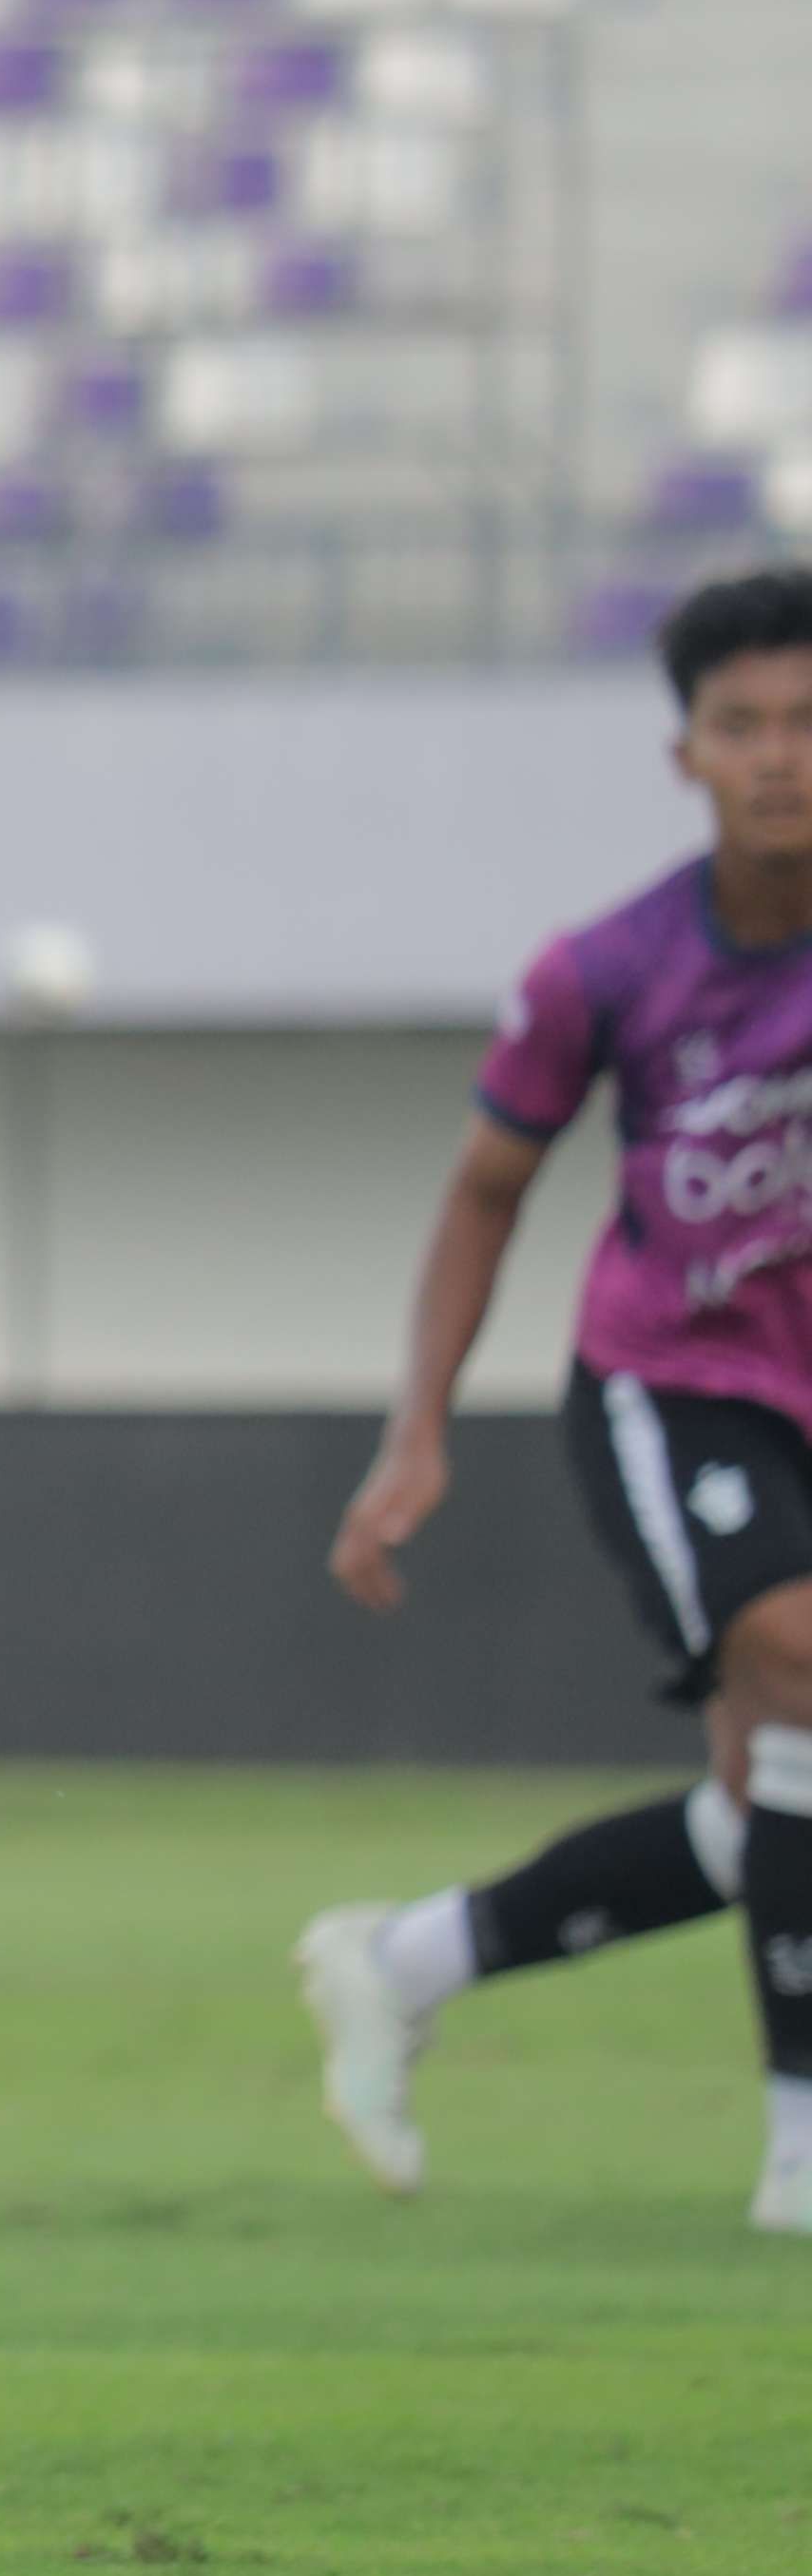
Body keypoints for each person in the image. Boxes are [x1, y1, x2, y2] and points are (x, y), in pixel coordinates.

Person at [308, 565, 812, 2233]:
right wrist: (417, 1433)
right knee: (805, 1675)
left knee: (767, 1806)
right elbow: (483, 1195)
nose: (780, 756)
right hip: (676, 1385)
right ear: (687, 756)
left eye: (808, 722)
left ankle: (410, 1959)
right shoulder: (609, 970)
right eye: (743, 725)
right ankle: (803, 2155)